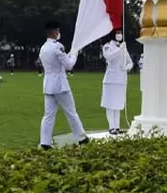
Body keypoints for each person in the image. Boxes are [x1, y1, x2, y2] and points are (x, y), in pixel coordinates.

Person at [39, 20, 89, 150]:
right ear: (55, 32)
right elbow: (69, 65)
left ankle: (45, 142)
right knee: (71, 112)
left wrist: (69, 55)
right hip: (60, 84)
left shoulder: (43, 48)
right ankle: (81, 137)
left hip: (48, 84)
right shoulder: (57, 46)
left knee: (48, 115)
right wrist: (75, 53)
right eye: (58, 31)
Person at [101, 28, 133, 135]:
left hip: (121, 79)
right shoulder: (107, 46)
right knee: (110, 104)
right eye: (117, 33)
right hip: (110, 80)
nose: (119, 34)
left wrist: (127, 67)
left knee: (118, 104)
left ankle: (117, 127)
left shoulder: (123, 46)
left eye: (120, 33)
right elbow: (109, 57)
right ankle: (111, 127)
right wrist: (120, 50)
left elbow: (130, 62)